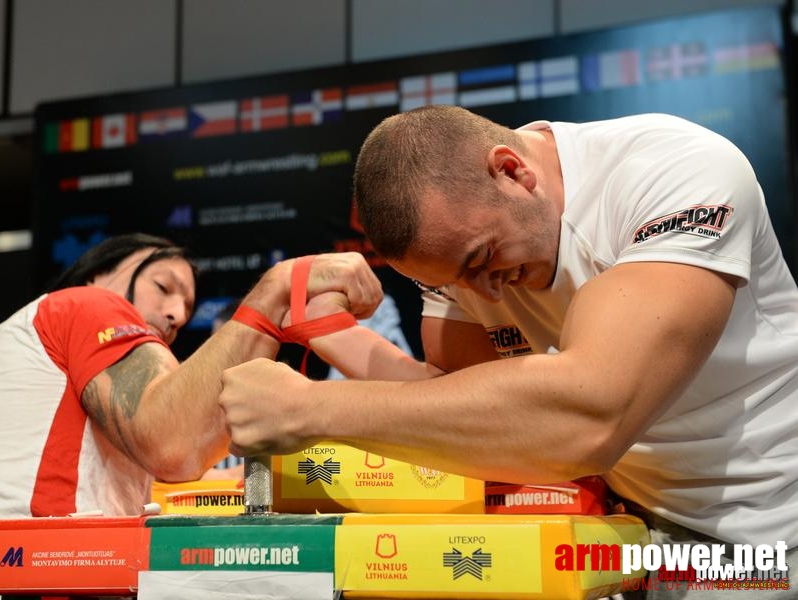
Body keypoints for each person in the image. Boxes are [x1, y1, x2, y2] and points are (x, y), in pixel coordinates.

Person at [219, 107, 798, 596]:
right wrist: (332, 332)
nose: (487, 294)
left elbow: (591, 416)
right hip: (632, 532)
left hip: (770, 527)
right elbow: (465, 411)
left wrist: (309, 409)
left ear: (512, 171)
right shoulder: (462, 251)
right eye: (453, 283)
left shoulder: (677, 172)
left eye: (481, 260)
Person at [0, 233, 380, 600]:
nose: (176, 314)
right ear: (99, 273)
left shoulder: (23, 353)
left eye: (187, 307)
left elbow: (190, 470)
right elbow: (174, 443)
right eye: (163, 286)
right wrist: (276, 289)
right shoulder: (87, 305)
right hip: (12, 587)